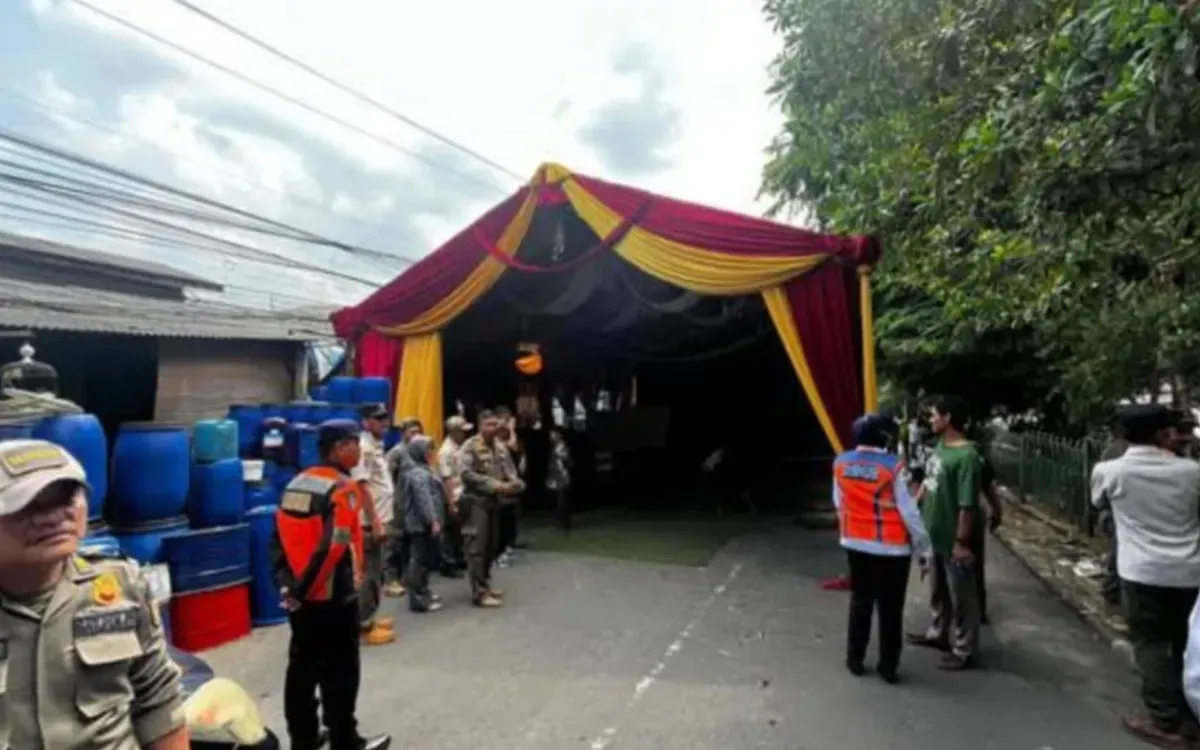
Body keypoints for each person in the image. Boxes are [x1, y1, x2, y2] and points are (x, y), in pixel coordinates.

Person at [0, 439, 189, 750]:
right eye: (31, 503)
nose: (55, 516)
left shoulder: (121, 585)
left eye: (65, 497)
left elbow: (158, 701)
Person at [269, 420, 391, 750]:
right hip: (331, 595)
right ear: (338, 448)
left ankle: (303, 738)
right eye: (354, 444)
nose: (358, 450)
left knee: (302, 668)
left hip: (299, 594)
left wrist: (287, 587)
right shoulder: (342, 488)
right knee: (341, 671)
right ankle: (345, 740)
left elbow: (276, 538)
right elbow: (333, 549)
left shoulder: (297, 483)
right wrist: (307, 590)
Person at [1091, 403, 1200, 746]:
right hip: (1190, 570)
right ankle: (1189, 715)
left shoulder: (1110, 471)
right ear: (1163, 433)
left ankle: (1165, 721)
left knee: (1151, 643)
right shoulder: (1191, 472)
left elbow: (1098, 504)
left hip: (1141, 571)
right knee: (1187, 644)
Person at [833, 415, 932, 684]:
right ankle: (888, 667)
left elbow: (839, 501)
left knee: (860, 601)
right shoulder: (894, 467)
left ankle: (855, 660)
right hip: (892, 549)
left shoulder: (841, 463)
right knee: (890, 608)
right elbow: (910, 512)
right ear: (883, 436)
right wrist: (925, 549)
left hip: (855, 544)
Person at [907, 395, 983, 671]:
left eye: (934, 415)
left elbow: (967, 504)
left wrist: (962, 542)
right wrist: (914, 507)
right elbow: (929, 480)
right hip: (934, 533)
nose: (930, 420)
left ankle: (965, 649)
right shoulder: (940, 447)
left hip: (954, 538)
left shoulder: (967, 456)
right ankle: (939, 632)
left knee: (962, 595)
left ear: (948, 418)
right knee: (937, 588)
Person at [459, 409, 525, 607]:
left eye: (496, 424)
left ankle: (485, 584)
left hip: (495, 502)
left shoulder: (499, 447)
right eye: (489, 424)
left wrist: (514, 483)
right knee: (477, 548)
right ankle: (479, 592)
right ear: (480, 426)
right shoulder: (470, 446)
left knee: (491, 545)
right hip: (476, 501)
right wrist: (493, 484)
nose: (494, 428)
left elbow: (510, 471)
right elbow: (465, 473)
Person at [352, 403, 396, 646]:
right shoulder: (364, 449)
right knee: (369, 575)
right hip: (369, 523)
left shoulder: (375, 446)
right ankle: (363, 626)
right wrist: (376, 522)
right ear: (366, 422)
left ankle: (371, 617)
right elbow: (362, 487)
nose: (384, 423)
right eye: (378, 419)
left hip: (379, 519)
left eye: (385, 418)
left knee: (377, 574)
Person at [401, 435, 445, 612]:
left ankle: (423, 591)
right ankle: (417, 600)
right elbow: (423, 499)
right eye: (427, 449)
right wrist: (432, 520)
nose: (430, 453)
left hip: (424, 523)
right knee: (419, 560)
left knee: (424, 560)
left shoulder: (424, 469)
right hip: (421, 524)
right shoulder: (417, 473)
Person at [382, 418, 424, 598]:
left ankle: (407, 577)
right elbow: (387, 478)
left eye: (418, 432)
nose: (416, 435)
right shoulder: (396, 453)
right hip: (398, 503)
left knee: (410, 541)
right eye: (412, 432)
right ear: (403, 433)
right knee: (393, 542)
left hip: (415, 504)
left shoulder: (421, 451)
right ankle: (390, 580)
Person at [437, 415, 472, 576]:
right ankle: (448, 563)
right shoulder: (446, 451)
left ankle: (459, 558)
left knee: (459, 530)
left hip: (461, 492)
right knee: (449, 531)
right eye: (462, 431)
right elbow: (447, 478)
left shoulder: (461, 447)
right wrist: (451, 502)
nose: (465, 434)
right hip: (451, 494)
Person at [494, 406, 525, 567]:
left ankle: (508, 547)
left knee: (511, 516)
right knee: (501, 519)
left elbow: (517, 448)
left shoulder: (506, 437)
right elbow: (512, 446)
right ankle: (499, 553)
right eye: (504, 420)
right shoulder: (494, 438)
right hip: (500, 483)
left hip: (511, 481)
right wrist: (511, 429)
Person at [547, 426, 573, 533]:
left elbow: (567, 460)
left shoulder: (562, 446)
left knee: (562, 500)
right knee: (559, 500)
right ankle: (561, 521)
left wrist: (560, 457)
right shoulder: (555, 446)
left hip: (562, 475)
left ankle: (565, 523)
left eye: (553, 434)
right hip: (556, 476)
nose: (551, 436)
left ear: (559, 435)